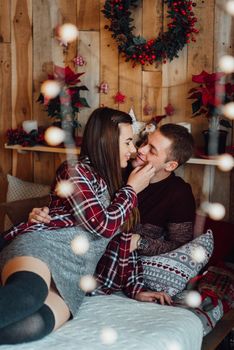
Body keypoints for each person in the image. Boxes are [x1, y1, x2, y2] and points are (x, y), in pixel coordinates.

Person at [0, 107, 171, 345]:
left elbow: (121, 240)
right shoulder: (76, 171)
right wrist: (131, 191)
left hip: (75, 273)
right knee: (28, 297)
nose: (133, 150)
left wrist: (135, 288)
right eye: (129, 142)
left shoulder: (118, 185)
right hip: (45, 246)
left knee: (34, 325)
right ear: (107, 142)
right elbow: (102, 226)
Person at [26, 123, 196, 298]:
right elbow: (80, 210)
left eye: (152, 150)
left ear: (170, 165)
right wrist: (44, 215)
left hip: (107, 269)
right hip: (70, 253)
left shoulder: (178, 193)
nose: (140, 149)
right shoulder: (118, 169)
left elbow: (181, 246)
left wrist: (140, 243)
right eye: (144, 141)